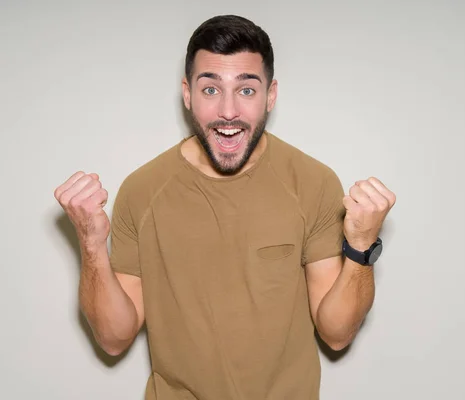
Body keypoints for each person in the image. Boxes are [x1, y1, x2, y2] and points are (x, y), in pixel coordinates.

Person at [54, 14, 395, 400]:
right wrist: (91, 245)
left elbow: (337, 334)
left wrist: (362, 247)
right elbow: (114, 339)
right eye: (210, 89)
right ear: (187, 94)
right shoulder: (142, 190)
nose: (228, 111)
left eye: (247, 90)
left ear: (271, 95)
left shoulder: (313, 182)